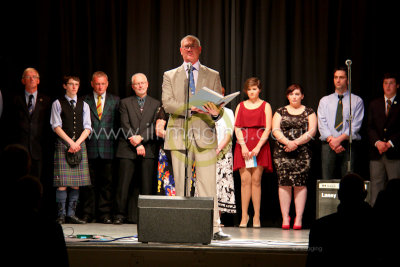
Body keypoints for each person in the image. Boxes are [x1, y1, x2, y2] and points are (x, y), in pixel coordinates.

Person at [162, 35, 230, 240]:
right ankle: (182, 225)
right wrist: (190, 107)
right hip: (178, 133)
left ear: (200, 49)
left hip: (205, 133)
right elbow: (168, 103)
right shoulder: (170, 75)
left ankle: (214, 228)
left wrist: (215, 111)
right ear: (180, 50)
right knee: (182, 184)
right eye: (185, 46)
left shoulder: (213, 74)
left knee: (207, 183)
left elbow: (218, 105)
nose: (189, 49)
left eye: (193, 46)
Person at [114, 73, 160, 224]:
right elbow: (124, 125)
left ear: (147, 84)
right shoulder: (125, 103)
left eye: (143, 83)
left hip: (148, 149)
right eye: (137, 84)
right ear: (133, 87)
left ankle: (145, 216)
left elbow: (155, 126)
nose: (140, 86)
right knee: (123, 185)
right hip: (127, 148)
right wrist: (136, 143)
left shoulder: (155, 103)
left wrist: (141, 139)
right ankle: (120, 215)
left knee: (147, 185)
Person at [272, 84, 317, 229]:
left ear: (302, 96)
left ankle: (298, 218)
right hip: (282, 152)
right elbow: (275, 130)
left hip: (302, 153)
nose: (294, 97)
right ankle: (286, 218)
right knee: (284, 183)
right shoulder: (280, 111)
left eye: (297, 94)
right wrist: (287, 142)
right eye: (291, 94)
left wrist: (295, 143)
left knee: (300, 184)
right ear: (287, 96)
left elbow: (312, 131)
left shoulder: (309, 111)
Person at [306, 173, 375, 267]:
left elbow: (312, 262)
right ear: (365, 195)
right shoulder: (377, 225)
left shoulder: (320, 227)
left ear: (339, 194)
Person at [50, 75, 92, 224]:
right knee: (62, 182)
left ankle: (71, 214)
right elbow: (56, 126)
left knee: (76, 183)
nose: (74, 87)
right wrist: (70, 143)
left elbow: (88, 127)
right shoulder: (57, 103)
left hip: (79, 145)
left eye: (76, 84)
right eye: (71, 84)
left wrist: (77, 143)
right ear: (65, 86)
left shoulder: (84, 105)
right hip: (63, 145)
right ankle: (61, 215)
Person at [233, 77, 273, 228]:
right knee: (245, 181)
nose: (252, 92)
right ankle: (244, 215)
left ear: (259, 89)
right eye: (249, 89)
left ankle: (256, 215)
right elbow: (237, 127)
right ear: (246, 91)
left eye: (254, 89)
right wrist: (243, 146)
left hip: (259, 145)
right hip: (242, 145)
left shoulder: (265, 105)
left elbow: (268, 128)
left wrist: (257, 147)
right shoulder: (241, 106)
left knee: (256, 180)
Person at [81, 71, 120, 224]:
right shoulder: (84, 100)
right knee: (87, 184)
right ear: (92, 84)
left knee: (107, 184)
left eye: (103, 83)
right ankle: (87, 214)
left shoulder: (115, 100)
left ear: (107, 84)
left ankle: (104, 214)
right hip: (89, 147)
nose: (100, 86)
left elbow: (118, 125)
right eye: (97, 83)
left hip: (108, 148)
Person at [5, 68, 52, 190]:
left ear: (38, 81)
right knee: (16, 185)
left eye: (34, 77)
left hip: (38, 151)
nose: (32, 79)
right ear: (22, 81)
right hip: (19, 152)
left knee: (37, 185)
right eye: (28, 77)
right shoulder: (14, 100)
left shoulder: (47, 101)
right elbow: (9, 124)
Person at [317, 66, 364, 179]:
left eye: (341, 77)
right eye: (336, 77)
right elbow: (322, 123)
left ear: (347, 80)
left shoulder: (356, 100)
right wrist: (332, 140)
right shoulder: (325, 100)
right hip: (329, 145)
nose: (338, 80)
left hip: (348, 145)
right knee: (326, 180)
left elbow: (356, 125)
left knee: (349, 179)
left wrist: (339, 140)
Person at [367, 73, 400, 205]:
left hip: (395, 153)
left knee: (395, 186)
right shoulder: (375, 104)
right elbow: (369, 127)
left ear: (397, 85)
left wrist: (390, 143)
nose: (388, 86)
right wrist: (378, 143)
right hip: (377, 153)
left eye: (391, 83)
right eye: (385, 83)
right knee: (376, 185)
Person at [214, 87, 236, 220]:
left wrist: (218, 148)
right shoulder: (203, 112)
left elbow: (229, 133)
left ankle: (218, 217)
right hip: (206, 151)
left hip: (223, 152)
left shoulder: (228, 112)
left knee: (221, 183)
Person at [155, 106, 176, 196]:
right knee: (167, 185)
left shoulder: (193, 107)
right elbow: (158, 131)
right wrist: (177, 137)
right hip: (168, 152)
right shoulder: (166, 108)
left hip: (188, 153)